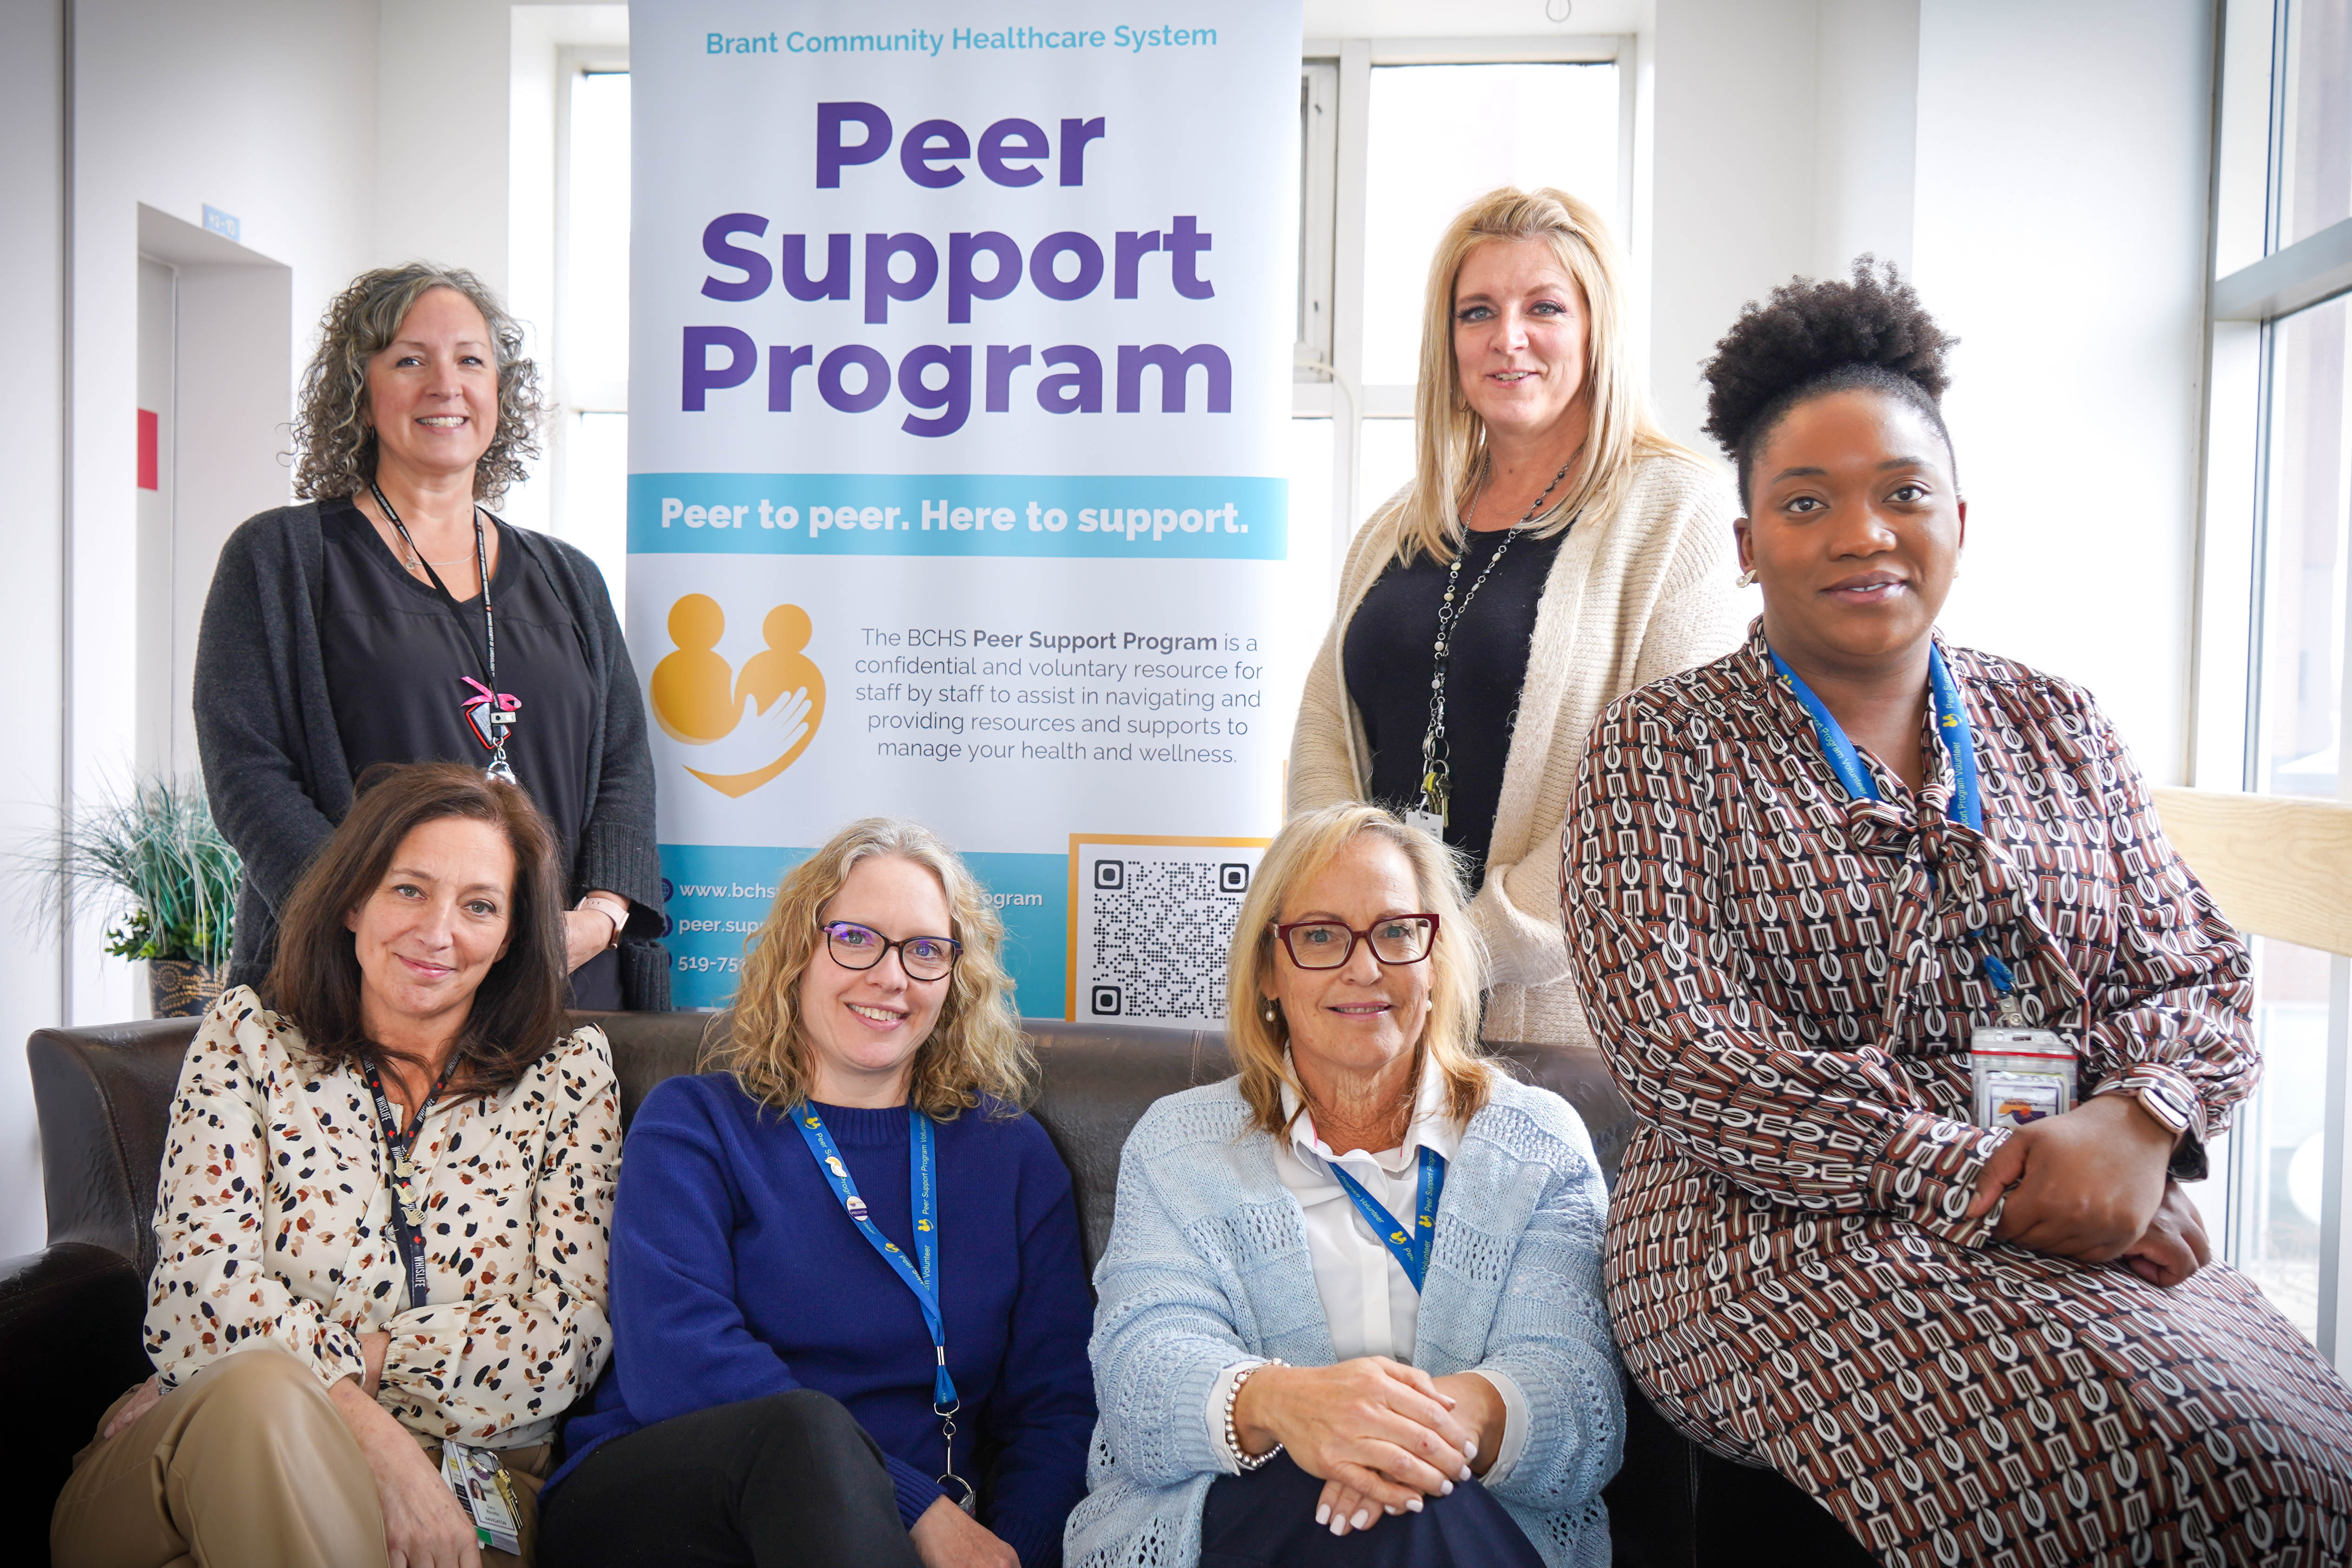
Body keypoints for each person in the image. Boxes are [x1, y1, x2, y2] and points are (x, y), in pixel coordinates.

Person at [1564, 260, 2352, 1562]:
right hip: (1765, 1229)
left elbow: (2195, 968)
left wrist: (2140, 1125)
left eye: (1900, 494)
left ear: (1958, 521)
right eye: (1804, 503)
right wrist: (2002, 1179)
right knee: (2159, 1458)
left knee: (2303, 1459)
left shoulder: (2057, 722)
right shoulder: (1657, 747)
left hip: (2078, 1201)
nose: (1860, 533)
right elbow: (1683, 1051)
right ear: (1750, 547)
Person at [51, 761, 620, 1568]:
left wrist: (314, 1356)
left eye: (480, 906)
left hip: (473, 1485)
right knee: (254, 1399)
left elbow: (565, 1342)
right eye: (409, 889)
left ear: (511, 937)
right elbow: (198, 1300)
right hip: (189, 1460)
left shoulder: (566, 1079)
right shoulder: (247, 1042)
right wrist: (373, 1435)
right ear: (353, 901)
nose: (438, 932)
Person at [1070, 804, 1620, 1568]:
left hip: (1475, 1529)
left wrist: (1398, 1438)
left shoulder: (1535, 1142)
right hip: (1236, 1529)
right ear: (1267, 968)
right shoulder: (1179, 1145)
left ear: (1435, 960)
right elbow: (1141, 1373)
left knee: (1411, 1506)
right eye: (1321, 936)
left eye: (1396, 932)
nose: (1365, 967)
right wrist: (1293, 1409)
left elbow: (1575, 1398)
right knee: (1355, 1507)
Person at [539, 818, 1096, 1568]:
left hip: (877, 1546)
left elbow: (1057, 1410)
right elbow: (679, 1363)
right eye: (857, 938)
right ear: (800, 951)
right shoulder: (697, 1124)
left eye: (925, 951)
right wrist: (917, 1508)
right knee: (804, 1430)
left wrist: (1009, 1552)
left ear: (955, 980)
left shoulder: (1011, 1153)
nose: (891, 976)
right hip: (671, 1503)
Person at [1288, 186, 1742, 1053]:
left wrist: (1453, 952)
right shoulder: (1398, 524)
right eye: (1476, 312)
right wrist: (1352, 933)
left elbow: (1656, 807)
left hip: (1558, 1028)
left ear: (1595, 328)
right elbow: (1323, 738)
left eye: (1544, 307)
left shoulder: (1677, 514)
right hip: (1374, 1012)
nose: (1508, 338)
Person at [197, 262, 666, 1011]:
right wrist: (378, 919)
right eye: (410, 359)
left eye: (470, 360)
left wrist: (600, 917)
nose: (445, 384)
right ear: (360, 390)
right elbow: (248, 774)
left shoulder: (570, 577)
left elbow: (623, 769)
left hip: (559, 985)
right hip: (360, 983)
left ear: (499, 393)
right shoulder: (280, 559)